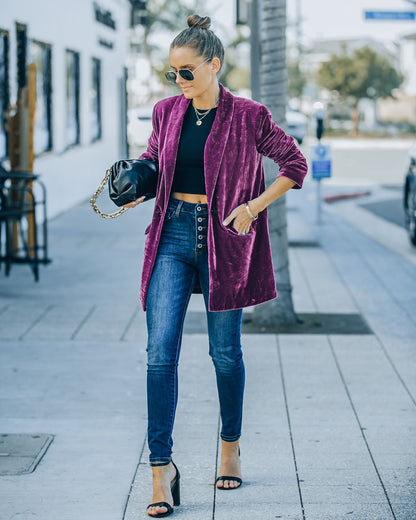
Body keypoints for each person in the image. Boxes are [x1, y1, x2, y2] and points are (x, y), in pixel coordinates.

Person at [124, 14, 308, 518]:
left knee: (224, 353)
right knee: (159, 354)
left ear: (214, 66)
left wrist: (252, 207)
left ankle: (230, 444)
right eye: (172, 73)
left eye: (187, 72)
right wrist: (137, 181)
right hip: (171, 234)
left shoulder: (249, 115)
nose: (179, 82)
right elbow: (155, 159)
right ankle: (161, 471)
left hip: (224, 237)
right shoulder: (166, 112)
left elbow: (294, 165)